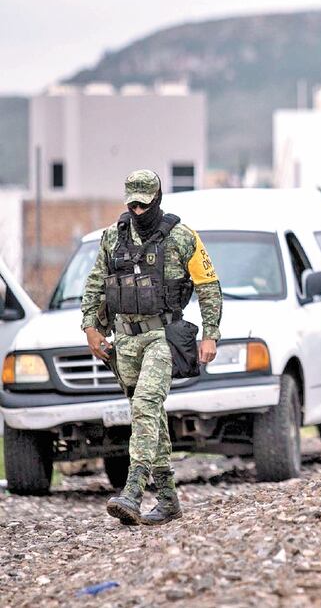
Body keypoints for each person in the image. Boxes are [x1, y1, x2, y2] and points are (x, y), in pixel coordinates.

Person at [81, 170, 222, 525]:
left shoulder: (182, 237)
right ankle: (169, 499)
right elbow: (96, 283)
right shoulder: (112, 237)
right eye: (133, 204)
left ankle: (132, 490)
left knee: (145, 404)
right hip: (126, 340)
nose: (138, 210)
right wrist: (90, 327)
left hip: (163, 336)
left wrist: (211, 334)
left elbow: (208, 286)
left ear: (157, 199)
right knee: (149, 416)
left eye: (145, 204)